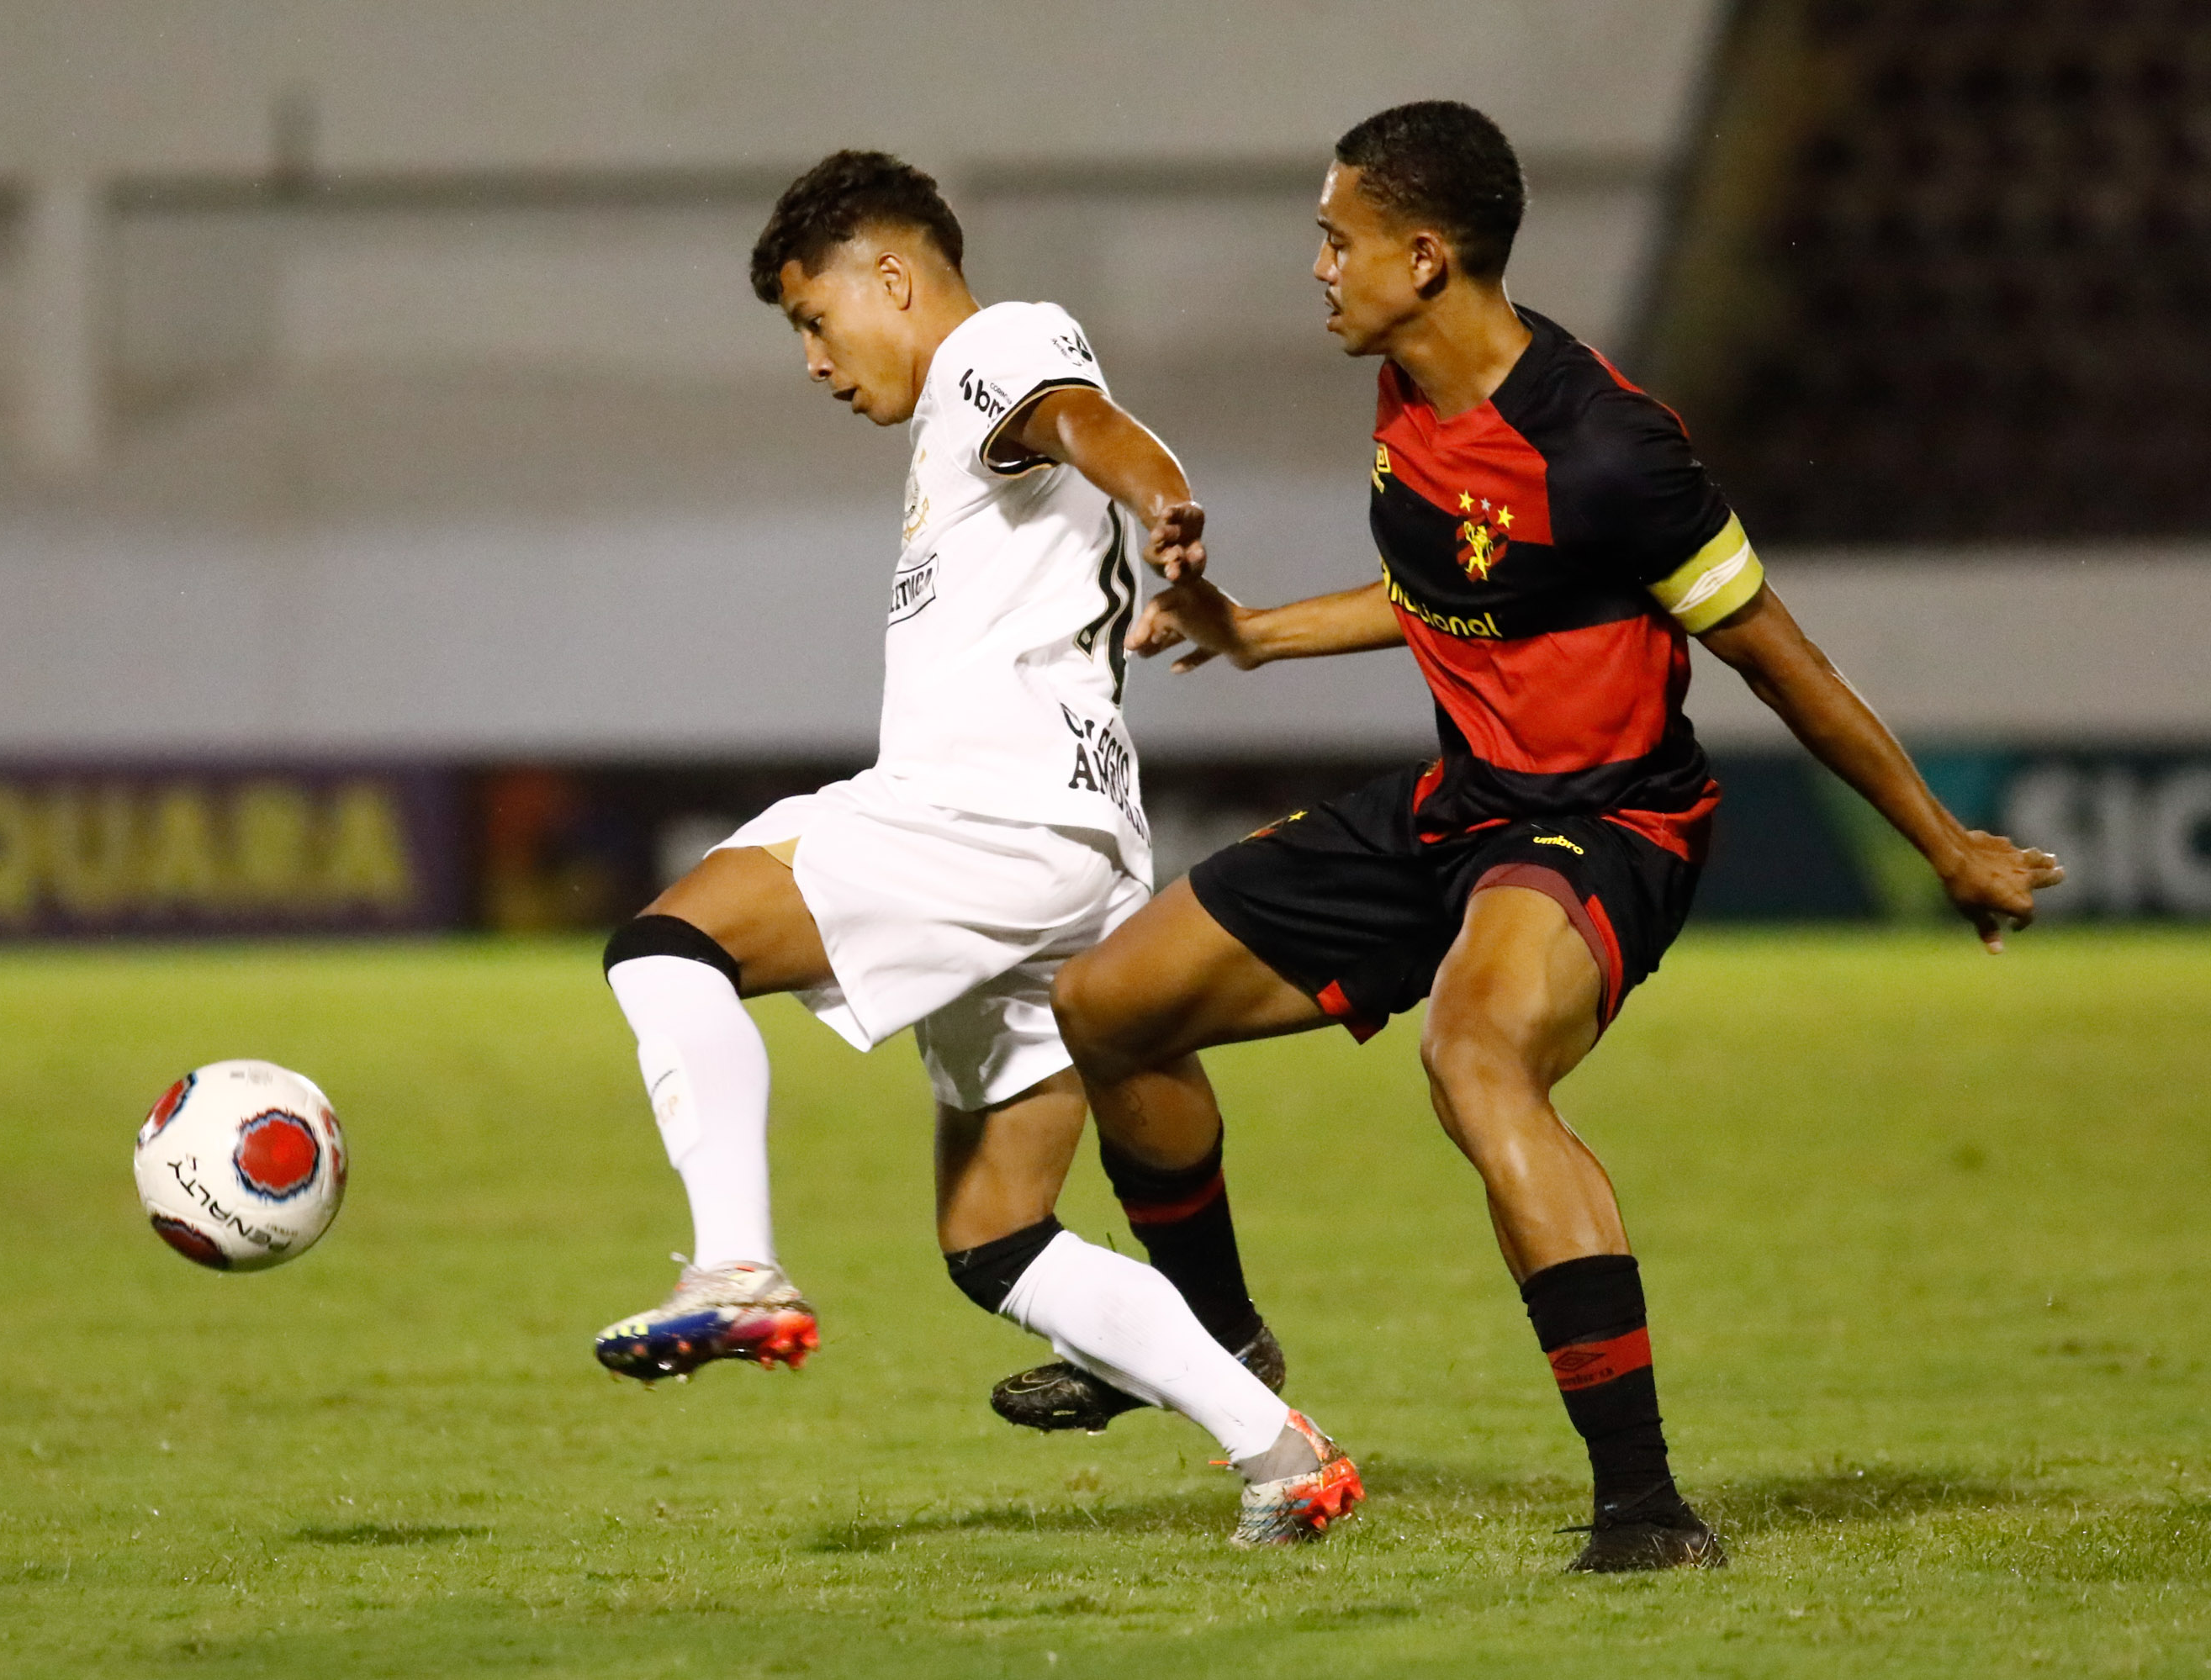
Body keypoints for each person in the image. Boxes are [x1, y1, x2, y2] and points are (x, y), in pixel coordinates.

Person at [1039, 103, 2066, 1572]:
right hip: (1459, 803)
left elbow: (1777, 654)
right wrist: (1261, 634)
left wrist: (1944, 842)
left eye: (1337, 241)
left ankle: (1645, 1511)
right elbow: (1458, 584)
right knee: (1110, 1002)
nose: (1319, 268)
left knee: (1473, 1060)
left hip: (1606, 823)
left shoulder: (1609, 447)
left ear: (1426, 253)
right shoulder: (1408, 382)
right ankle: (1221, 1341)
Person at [590, 151, 1360, 1545]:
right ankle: (1283, 1453)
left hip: (988, 821)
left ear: (892, 277)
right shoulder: (949, 442)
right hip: (1062, 860)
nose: (815, 361)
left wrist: (1164, 497)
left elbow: (1083, 418)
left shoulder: (989, 353)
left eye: (813, 319)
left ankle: (737, 1266)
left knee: (664, 947)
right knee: (996, 1237)